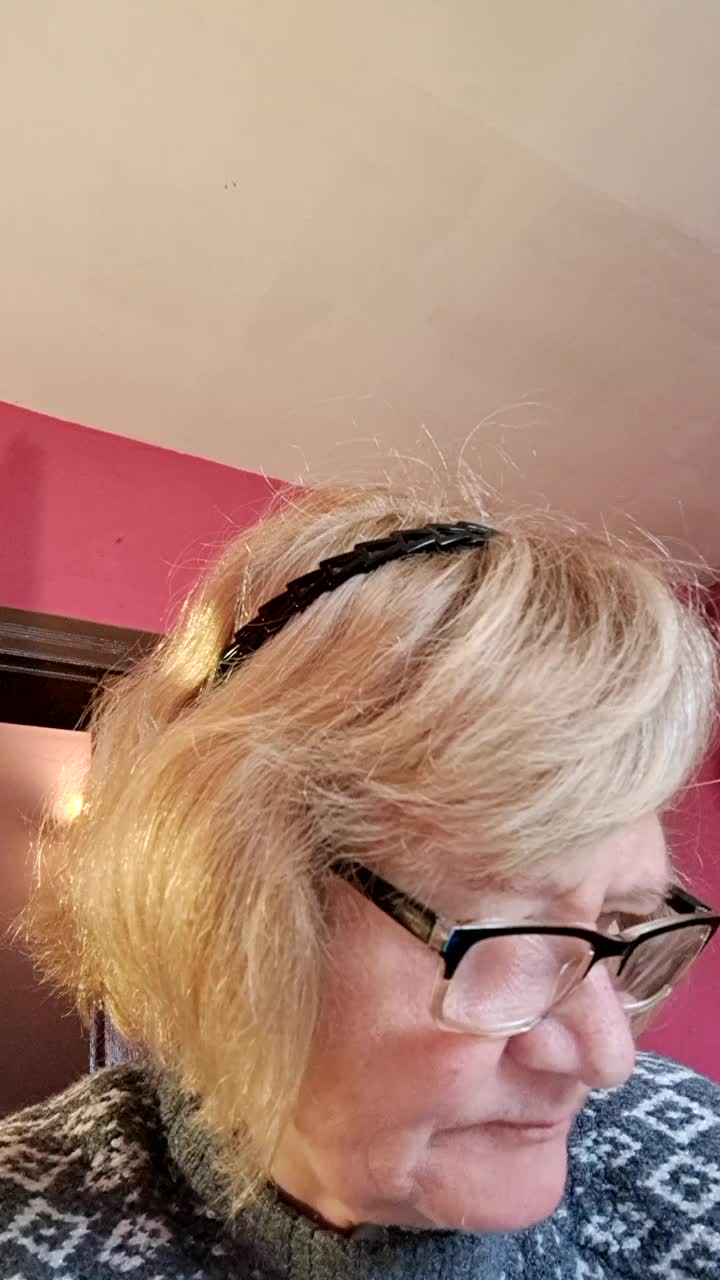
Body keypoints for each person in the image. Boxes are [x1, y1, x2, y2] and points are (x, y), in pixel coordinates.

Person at [1, 481, 720, 1279]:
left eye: (620, 926)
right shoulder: (27, 1230)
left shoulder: (697, 1163)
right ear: (227, 925)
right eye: (508, 937)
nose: (608, 1059)